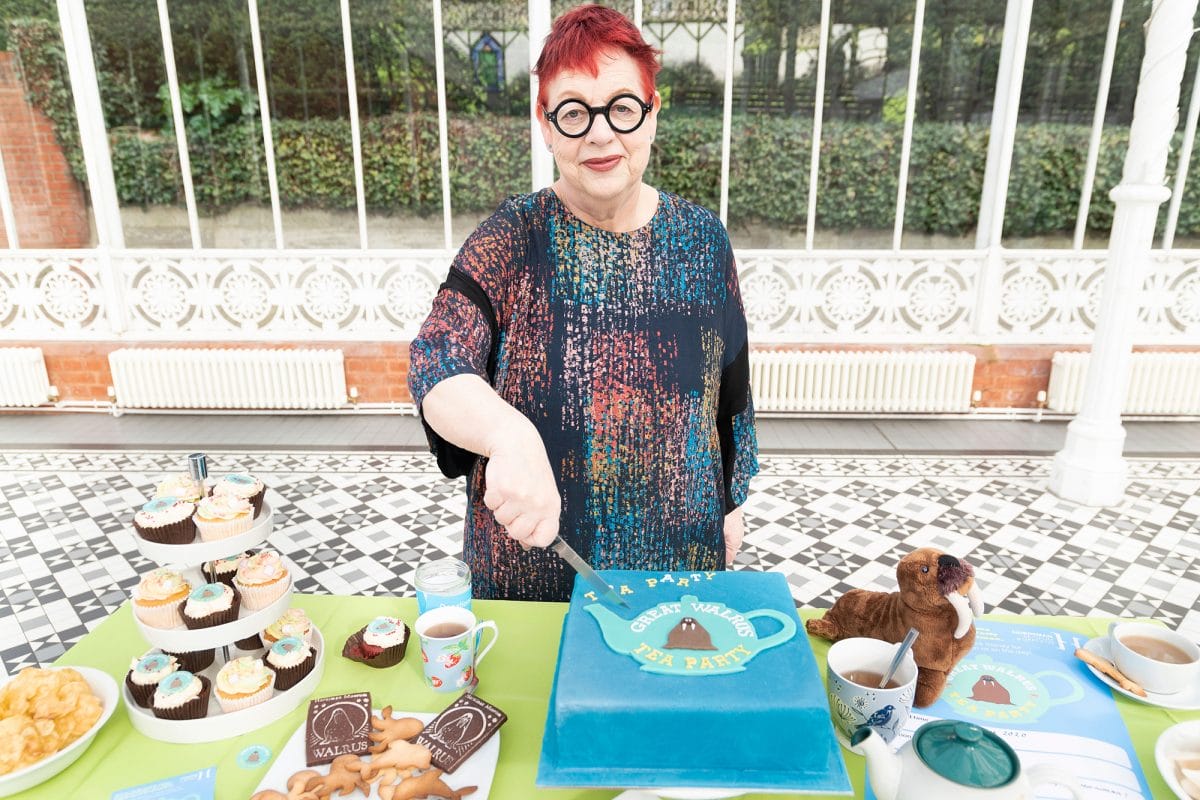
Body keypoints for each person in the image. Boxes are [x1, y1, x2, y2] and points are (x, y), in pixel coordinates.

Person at [408, 4, 758, 602]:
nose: (600, 134)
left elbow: (729, 397)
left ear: (652, 114)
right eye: (574, 112)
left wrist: (729, 504)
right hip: (534, 583)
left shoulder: (702, 240)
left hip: (676, 580)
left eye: (622, 107)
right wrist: (507, 435)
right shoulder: (511, 239)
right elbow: (436, 362)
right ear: (546, 125)